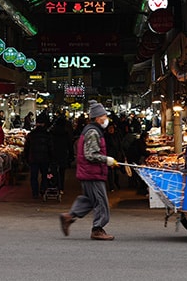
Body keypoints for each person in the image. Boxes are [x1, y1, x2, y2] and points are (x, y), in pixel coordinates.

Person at [58, 100, 118, 241]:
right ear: (98, 118)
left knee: (90, 200)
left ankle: (68, 217)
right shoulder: (93, 132)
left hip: (90, 172)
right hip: (92, 173)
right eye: (104, 115)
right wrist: (106, 160)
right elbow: (90, 155)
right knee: (101, 202)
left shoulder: (94, 130)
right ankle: (97, 229)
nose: (106, 119)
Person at [24, 113, 53, 198]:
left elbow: (26, 148)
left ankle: (35, 193)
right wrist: (51, 158)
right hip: (45, 158)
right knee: (45, 175)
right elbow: (51, 148)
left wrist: (27, 158)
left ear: (37, 123)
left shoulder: (31, 134)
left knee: (34, 176)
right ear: (44, 124)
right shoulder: (48, 135)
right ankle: (43, 189)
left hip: (33, 158)